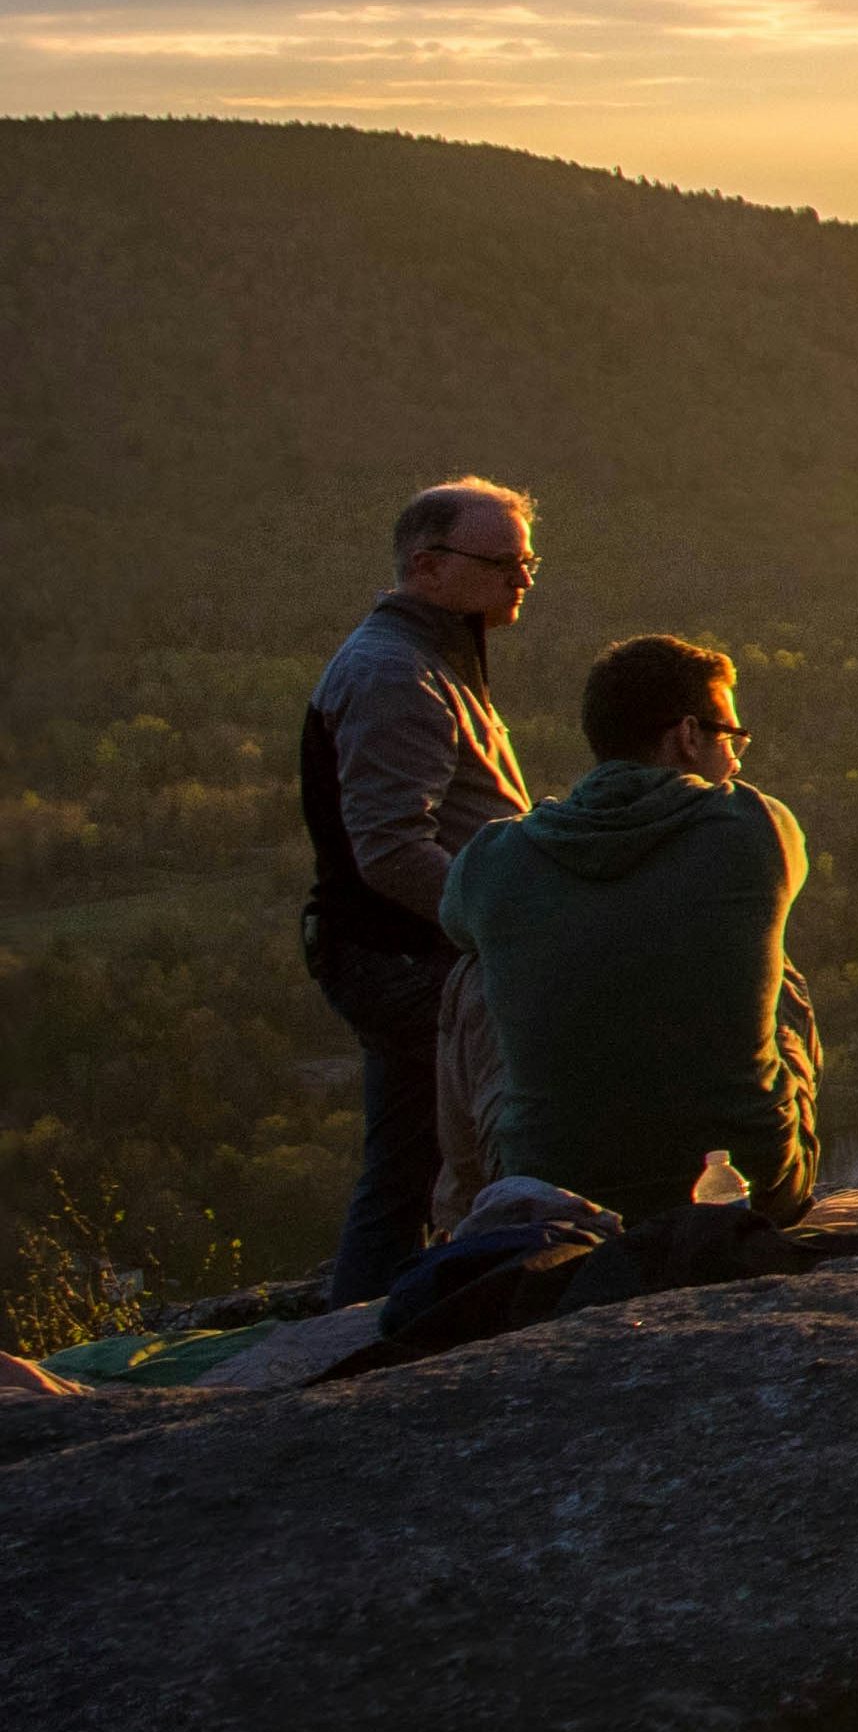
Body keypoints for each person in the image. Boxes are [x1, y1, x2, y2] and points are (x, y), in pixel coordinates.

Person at [441, 633, 824, 1225]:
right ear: (688, 736)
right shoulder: (758, 826)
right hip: (748, 1190)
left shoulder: (494, 856)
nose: (739, 758)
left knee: (471, 973)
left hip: (553, 1197)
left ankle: (473, 1220)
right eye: (732, 737)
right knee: (779, 970)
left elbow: (454, 925)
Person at [300, 478, 540, 1304]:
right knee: (495, 1144)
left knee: (403, 1165)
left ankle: (367, 1326)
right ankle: (431, 1324)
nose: (524, 577)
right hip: (414, 957)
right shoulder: (396, 674)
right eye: (503, 561)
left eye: (528, 559)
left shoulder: (431, 658)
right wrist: (503, 922)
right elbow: (394, 849)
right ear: (427, 567)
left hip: (403, 951)